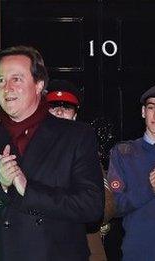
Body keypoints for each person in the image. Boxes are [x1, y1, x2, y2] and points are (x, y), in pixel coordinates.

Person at [0, 45, 104, 261]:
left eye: (17, 79)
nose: (7, 88)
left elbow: (92, 207)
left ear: (39, 85)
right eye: (1, 80)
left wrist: (29, 190)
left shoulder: (75, 136)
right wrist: (1, 186)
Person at [46, 79, 114, 261]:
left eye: (66, 107)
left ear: (75, 115)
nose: (59, 112)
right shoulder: (27, 150)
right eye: (53, 106)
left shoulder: (87, 153)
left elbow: (106, 206)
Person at [107, 82, 155, 261]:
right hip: (138, 253)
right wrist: (148, 189)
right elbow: (115, 207)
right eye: (152, 108)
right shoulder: (123, 153)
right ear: (144, 112)